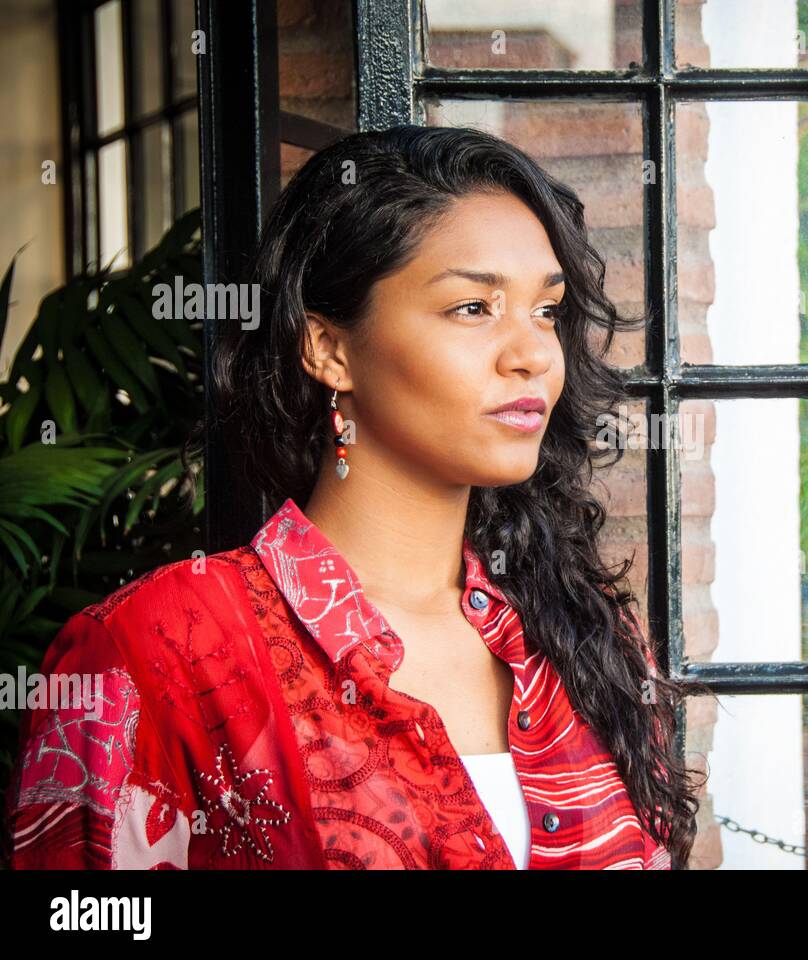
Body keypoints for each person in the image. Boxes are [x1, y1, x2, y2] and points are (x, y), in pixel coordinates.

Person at [5, 125, 706, 870]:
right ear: (329, 349)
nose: (532, 353)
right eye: (474, 308)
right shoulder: (160, 649)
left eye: (546, 311)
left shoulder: (586, 636)